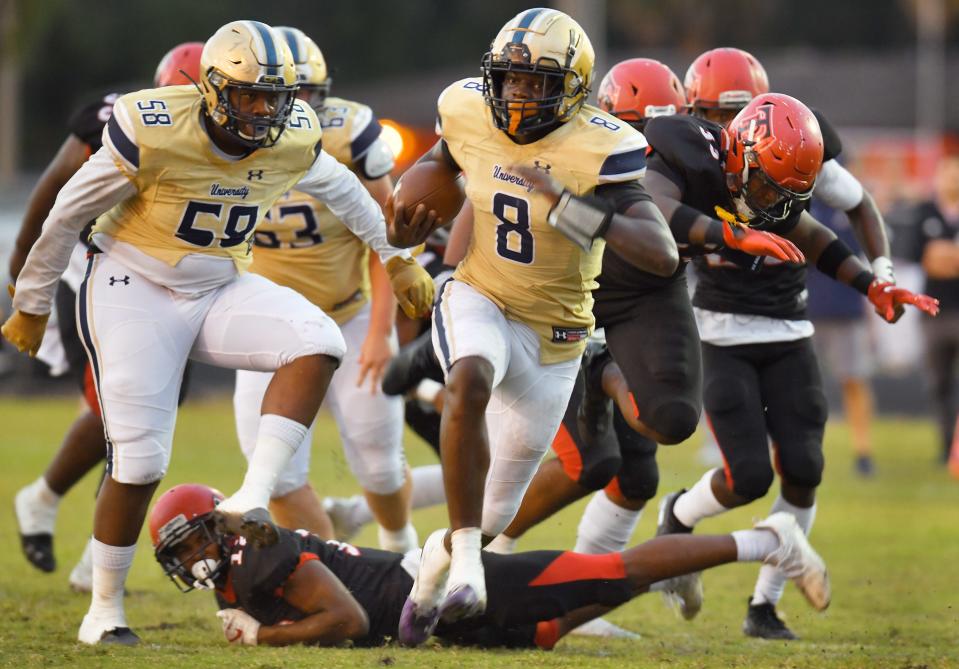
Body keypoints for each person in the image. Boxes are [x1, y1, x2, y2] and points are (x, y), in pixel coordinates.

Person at [1, 20, 434, 646]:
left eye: (274, 98)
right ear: (212, 89)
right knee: (140, 458)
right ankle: (103, 610)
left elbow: (346, 192)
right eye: (250, 95)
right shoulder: (152, 126)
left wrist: (397, 260)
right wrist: (34, 298)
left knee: (318, 340)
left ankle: (252, 495)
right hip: (134, 284)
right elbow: (69, 208)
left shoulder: (293, 135)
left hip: (217, 283)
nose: (263, 111)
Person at [384, 8, 685, 644]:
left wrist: (567, 206)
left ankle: (439, 563)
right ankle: (467, 563)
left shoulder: (599, 145)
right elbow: (444, 162)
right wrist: (407, 213)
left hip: (558, 335)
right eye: (510, 79)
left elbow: (661, 253)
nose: (518, 95)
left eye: (536, 82)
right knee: (468, 379)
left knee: (493, 512)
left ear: (572, 90)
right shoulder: (466, 108)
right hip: (481, 293)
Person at [648, 93, 938, 641]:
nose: (770, 201)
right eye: (762, 187)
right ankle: (680, 512)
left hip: (789, 329)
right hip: (722, 331)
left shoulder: (787, 162)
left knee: (805, 467)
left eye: (784, 194)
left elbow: (815, 233)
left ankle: (764, 605)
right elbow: (651, 204)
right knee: (749, 476)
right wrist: (733, 232)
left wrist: (874, 281)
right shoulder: (693, 157)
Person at [148, 483, 830, 649]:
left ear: (218, 530)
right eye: (179, 556)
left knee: (612, 569)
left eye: (193, 544)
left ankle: (763, 538)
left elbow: (346, 618)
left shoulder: (261, 555)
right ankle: (665, 568)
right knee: (549, 629)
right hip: (436, 620)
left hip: (441, 587)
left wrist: (263, 636)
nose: (192, 561)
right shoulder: (239, 565)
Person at [12, 41, 204, 589]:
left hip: (168, 286)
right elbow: (54, 190)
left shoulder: (231, 134)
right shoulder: (120, 117)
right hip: (89, 274)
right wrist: (24, 275)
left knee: (150, 419)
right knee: (119, 410)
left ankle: (53, 509)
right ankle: (65, 521)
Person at [231, 26, 419, 552]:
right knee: (279, 474)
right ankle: (334, 565)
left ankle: (401, 546)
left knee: (379, 464)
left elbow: (387, 238)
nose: (283, 109)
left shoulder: (347, 135)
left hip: (348, 315)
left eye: (301, 95)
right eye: (268, 95)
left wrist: (382, 332)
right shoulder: (221, 140)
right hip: (267, 328)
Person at [805, 200, 878, 476]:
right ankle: (793, 448)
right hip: (805, 306)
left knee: (854, 381)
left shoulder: (846, 200)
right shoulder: (798, 199)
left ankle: (863, 451)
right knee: (796, 384)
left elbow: (865, 256)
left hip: (846, 309)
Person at [903, 152, 959, 467]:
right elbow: (923, 258)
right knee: (939, 384)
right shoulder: (925, 211)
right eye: (948, 172)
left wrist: (943, 256)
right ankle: (946, 446)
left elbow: (938, 257)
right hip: (934, 312)